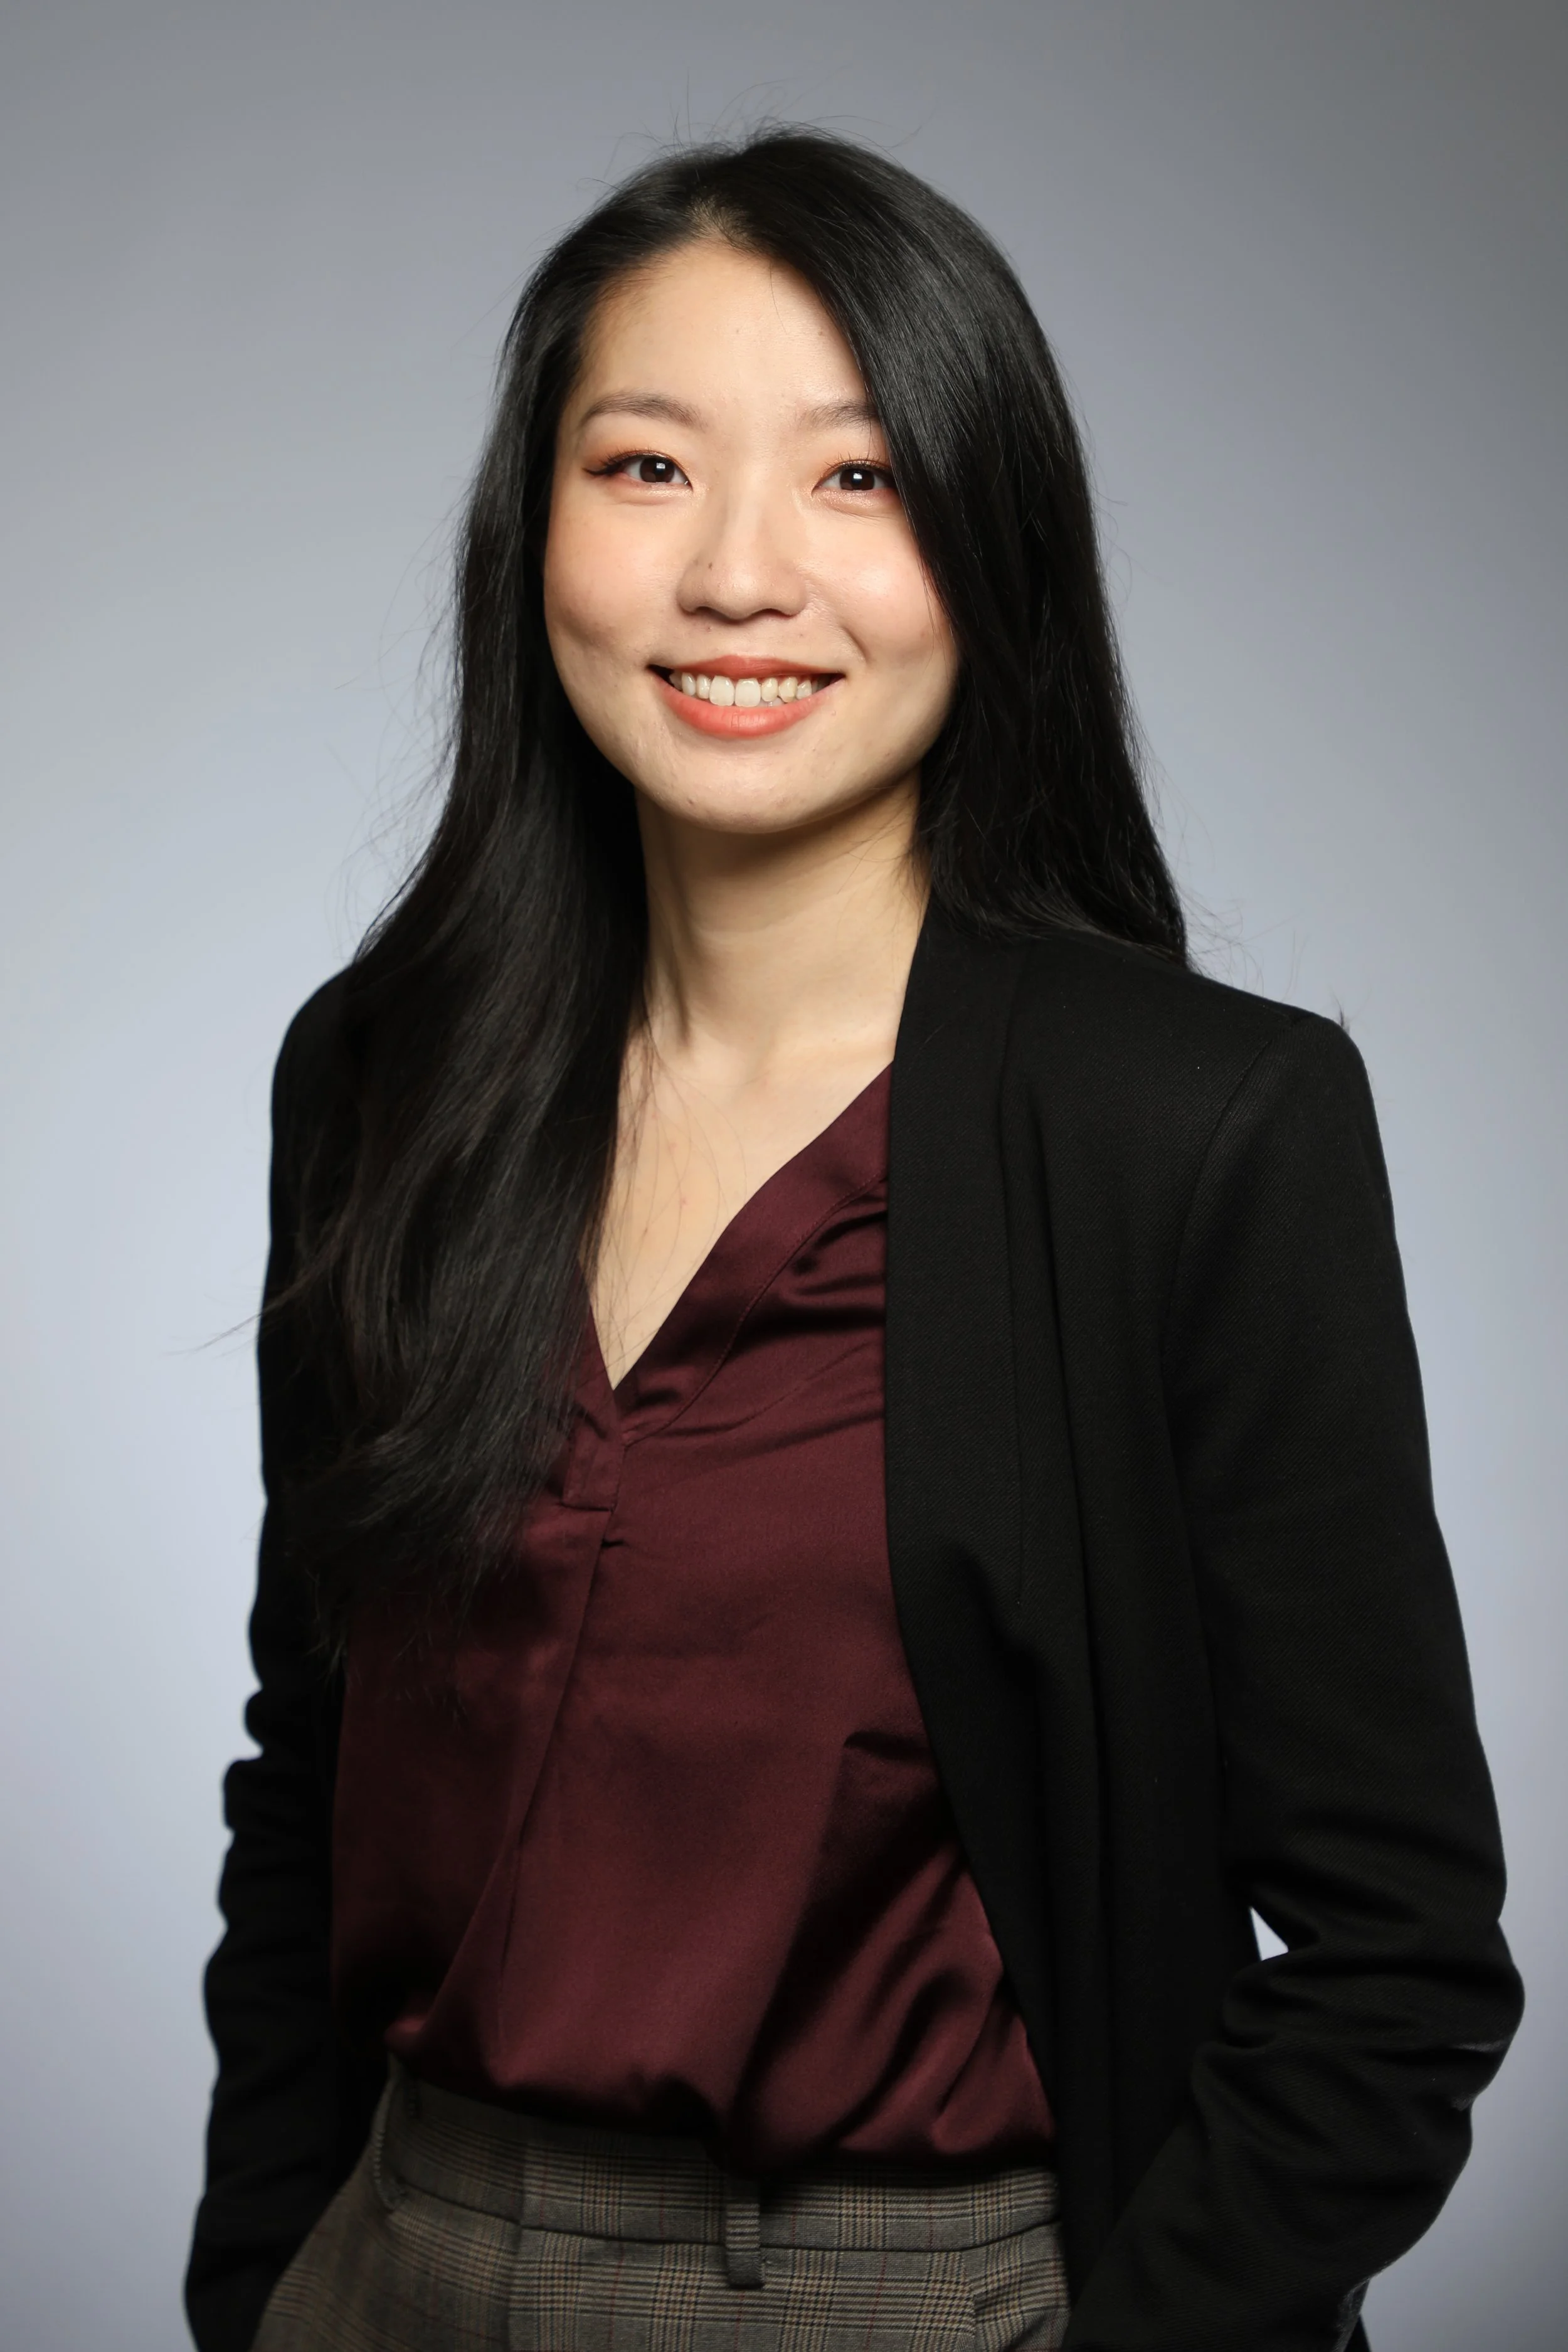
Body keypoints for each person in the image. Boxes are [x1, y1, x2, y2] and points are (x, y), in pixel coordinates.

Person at [185, 129, 1522, 2352]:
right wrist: (260, 2290)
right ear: (535, 534)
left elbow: (1400, 1960)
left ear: (988, 545)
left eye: (855, 477)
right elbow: (305, 1781)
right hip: (394, 2262)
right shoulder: (378, 1077)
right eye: (641, 467)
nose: (734, 575)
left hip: (908, 2295)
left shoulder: (1191, 1127)